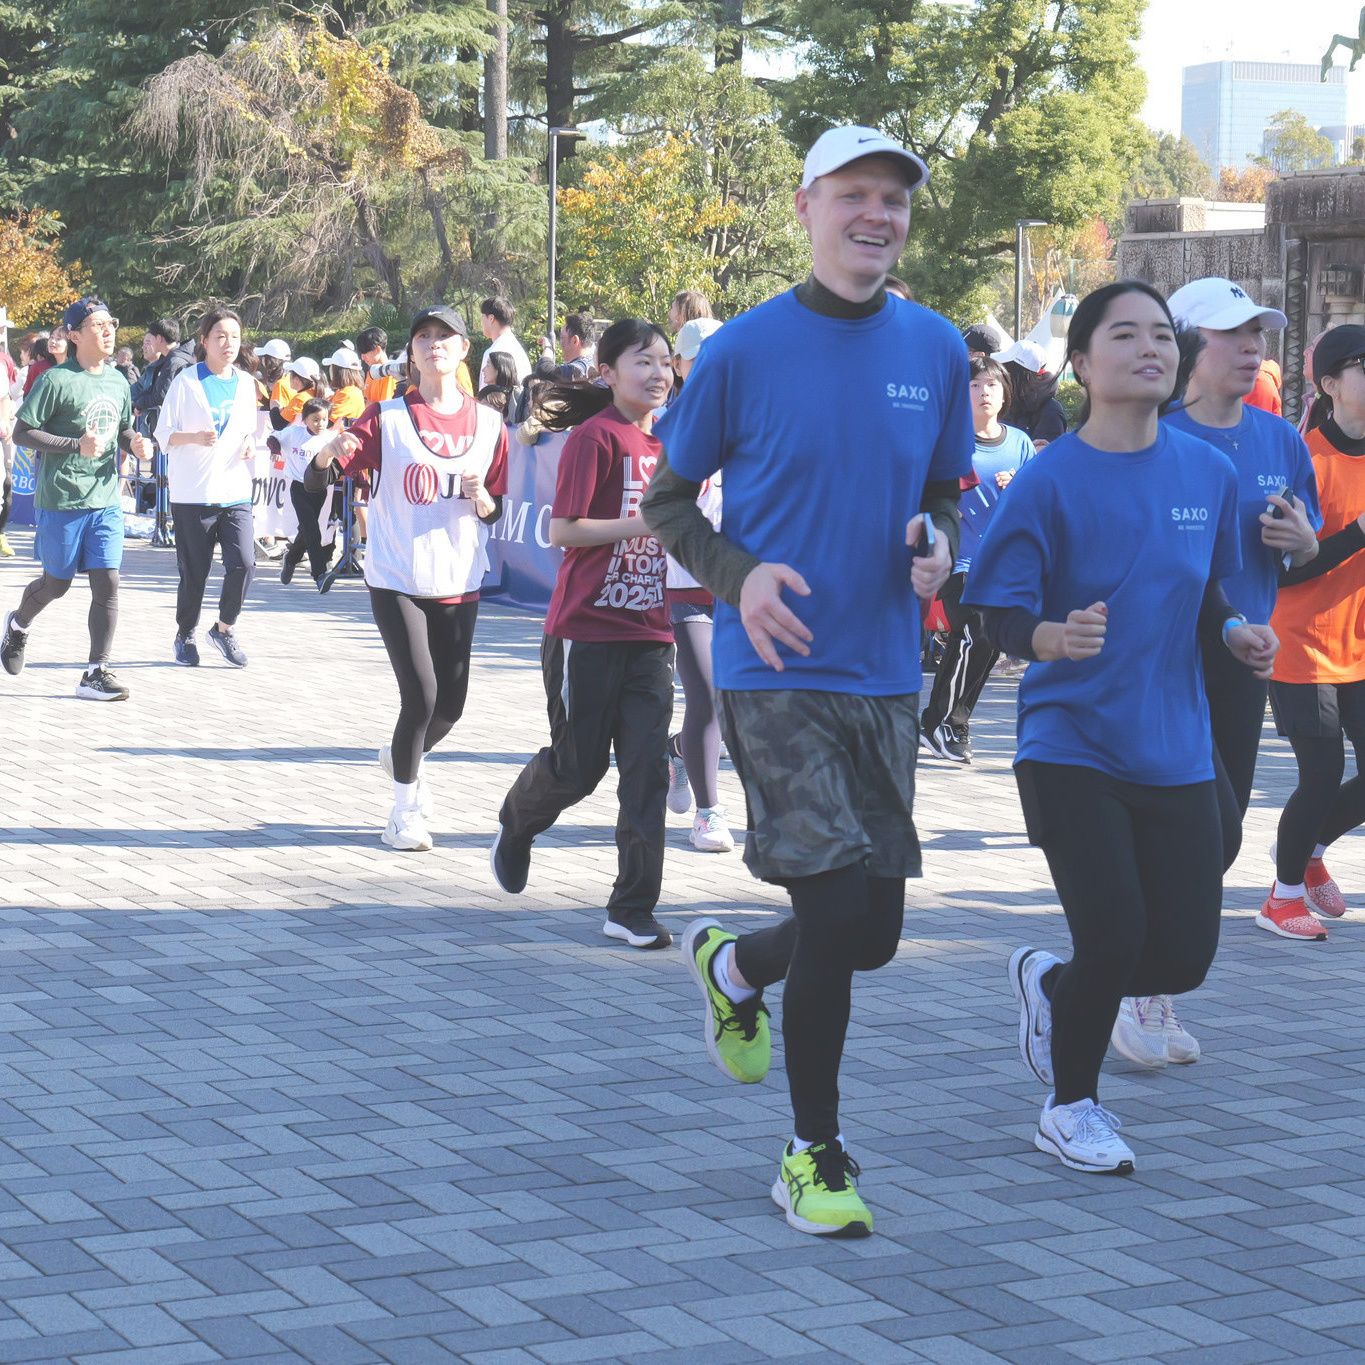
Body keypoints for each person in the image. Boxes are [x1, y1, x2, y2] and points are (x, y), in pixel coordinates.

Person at [643, 125, 970, 1238]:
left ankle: (735, 966)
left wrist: (938, 543)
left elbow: (943, 491)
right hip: (773, 665)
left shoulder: (935, 346)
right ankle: (811, 1152)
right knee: (833, 907)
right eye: (853, 195)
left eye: (894, 199)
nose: (876, 214)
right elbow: (668, 501)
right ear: (807, 208)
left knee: (869, 933)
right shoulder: (743, 349)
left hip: (884, 670)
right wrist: (739, 579)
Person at [962, 280, 1277, 1175]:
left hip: (1173, 742)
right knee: (1113, 934)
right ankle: (1069, 1107)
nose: (1150, 349)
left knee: (1181, 955)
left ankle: (1053, 985)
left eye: (1161, 336)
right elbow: (991, 608)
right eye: (1125, 334)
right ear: (1080, 363)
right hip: (1069, 740)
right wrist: (1048, 637)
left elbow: (1203, 586)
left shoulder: (1206, 472)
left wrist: (1232, 628)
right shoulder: (1048, 478)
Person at [490, 319, 676, 947]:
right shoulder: (595, 438)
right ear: (608, 373)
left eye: (665, 362)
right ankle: (517, 822)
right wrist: (643, 523)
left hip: (651, 633)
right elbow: (562, 531)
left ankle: (631, 908)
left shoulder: (670, 446)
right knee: (578, 768)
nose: (657, 373)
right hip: (586, 631)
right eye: (643, 361)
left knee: (648, 773)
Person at [306, 305, 508, 851]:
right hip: (397, 575)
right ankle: (403, 811)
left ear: (464, 349)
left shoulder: (490, 424)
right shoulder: (386, 417)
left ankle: (402, 756)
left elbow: (496, 509)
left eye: (445, 336)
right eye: (423, 336)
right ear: (411, 353)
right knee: (420, 697)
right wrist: (327, 454)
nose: (434, 343)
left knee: (451, 708)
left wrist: (484, 499)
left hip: (459, 576)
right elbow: (315, 480)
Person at [1158, 277, 1319, 955]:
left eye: (1257, 332)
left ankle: (1124, 965)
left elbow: (1303, 548)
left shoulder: (1280, 439)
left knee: (1220, 839)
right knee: (1201, 826)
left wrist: (1304, 542)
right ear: (1184, 344)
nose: (1252, 346)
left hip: (1246, 656)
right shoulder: (1151, 434)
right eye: (1232, 332)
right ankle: (1134, 973)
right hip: (1162, 661)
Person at [1264, 324, 1365, 942]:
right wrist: (1358, 534)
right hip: (1302, 643)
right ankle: (1282, 898)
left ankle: (1310, 849)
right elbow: (1285, 568)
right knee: (1322, 772)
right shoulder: (1304, 459)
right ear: (1330, 384)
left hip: (1360, 644)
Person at [1, 297, 153, 698]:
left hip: (104, 500)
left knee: (108, 583)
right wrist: (74, 445)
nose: (108, 331)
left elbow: (121, 429)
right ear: (74, 336)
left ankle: (95, 672)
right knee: (57, 585)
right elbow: (22, 433)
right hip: (62, 499)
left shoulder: (118, 380)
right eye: (97, 325)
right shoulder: (56, 380)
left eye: (110, 323)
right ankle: (17, 625)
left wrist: (135, 443)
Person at [919, 356, 1036, 764]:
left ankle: (943, 722)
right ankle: (944, 722)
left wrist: (1020, 487)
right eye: (974, 385)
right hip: (958, 560)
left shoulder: (1020, 444)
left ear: (1004, 395)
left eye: (991, 385)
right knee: (978, 626)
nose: (983, 392)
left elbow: (1039, 505)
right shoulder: (949, 442)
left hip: (1004, 565)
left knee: (988, 638)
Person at [155, 307, 261, 669]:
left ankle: (223, 629)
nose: (228, 343)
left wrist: (249, 442)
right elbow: (162, 434)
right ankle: (185, 634)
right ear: (205, 341)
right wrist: (194, 437)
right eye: (220, 336)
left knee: (244, 564)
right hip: (194, 493)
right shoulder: (186, 381)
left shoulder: (246, 383)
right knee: (195, 573)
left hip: (234, 490)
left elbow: (248, 429)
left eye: (234, 336)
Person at [662, 317, 731, 852]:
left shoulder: (756, 420)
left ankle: (679, 751)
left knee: (736, 702)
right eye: (697, 356)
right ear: (679, 366)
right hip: (685, 584)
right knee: (706, 692)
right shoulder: (667, 425)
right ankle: (709, 815)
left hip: (744, 586)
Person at [277, 397, 336, 586]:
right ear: (305, 419)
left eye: (324, 419)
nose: (320, 424)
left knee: (306, 529)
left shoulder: (330, 438)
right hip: (299, 488)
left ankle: (291, 559)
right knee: (312, 529)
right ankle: (320, 574)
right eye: (315, 420)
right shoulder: (294, 433)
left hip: (319, 489)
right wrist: (274, 448)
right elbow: (274, 436)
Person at [994, 339, 1067, 448]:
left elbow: (1046, 455)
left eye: (1005, 367)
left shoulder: (1050, 411)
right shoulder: (1006, 402)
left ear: (1019, 373)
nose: (1001, 373)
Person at [479, 297, 532, 382]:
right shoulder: (519, 350)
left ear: (491, 318)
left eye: (482, 317)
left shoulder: (493, 353)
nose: (481, 322)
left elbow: (486, 389)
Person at [536, 313, 597, 382]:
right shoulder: (595, 362)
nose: (560, 343)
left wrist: (548, 348)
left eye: (562, 338)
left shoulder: (579, 368)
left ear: (575, 340)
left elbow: (544, 371)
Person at [0, 339, 15, 557]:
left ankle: (1, 532)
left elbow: (5, 396)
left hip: (1, 436)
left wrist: (4, 420)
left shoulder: (3, 361)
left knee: (7, 484)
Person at [357, 327, 396, 407]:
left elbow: (386, 408)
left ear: (378, 350)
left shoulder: (390, 374)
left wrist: (366, 403)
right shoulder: (371, 372)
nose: (362, 357)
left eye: (365, 352)